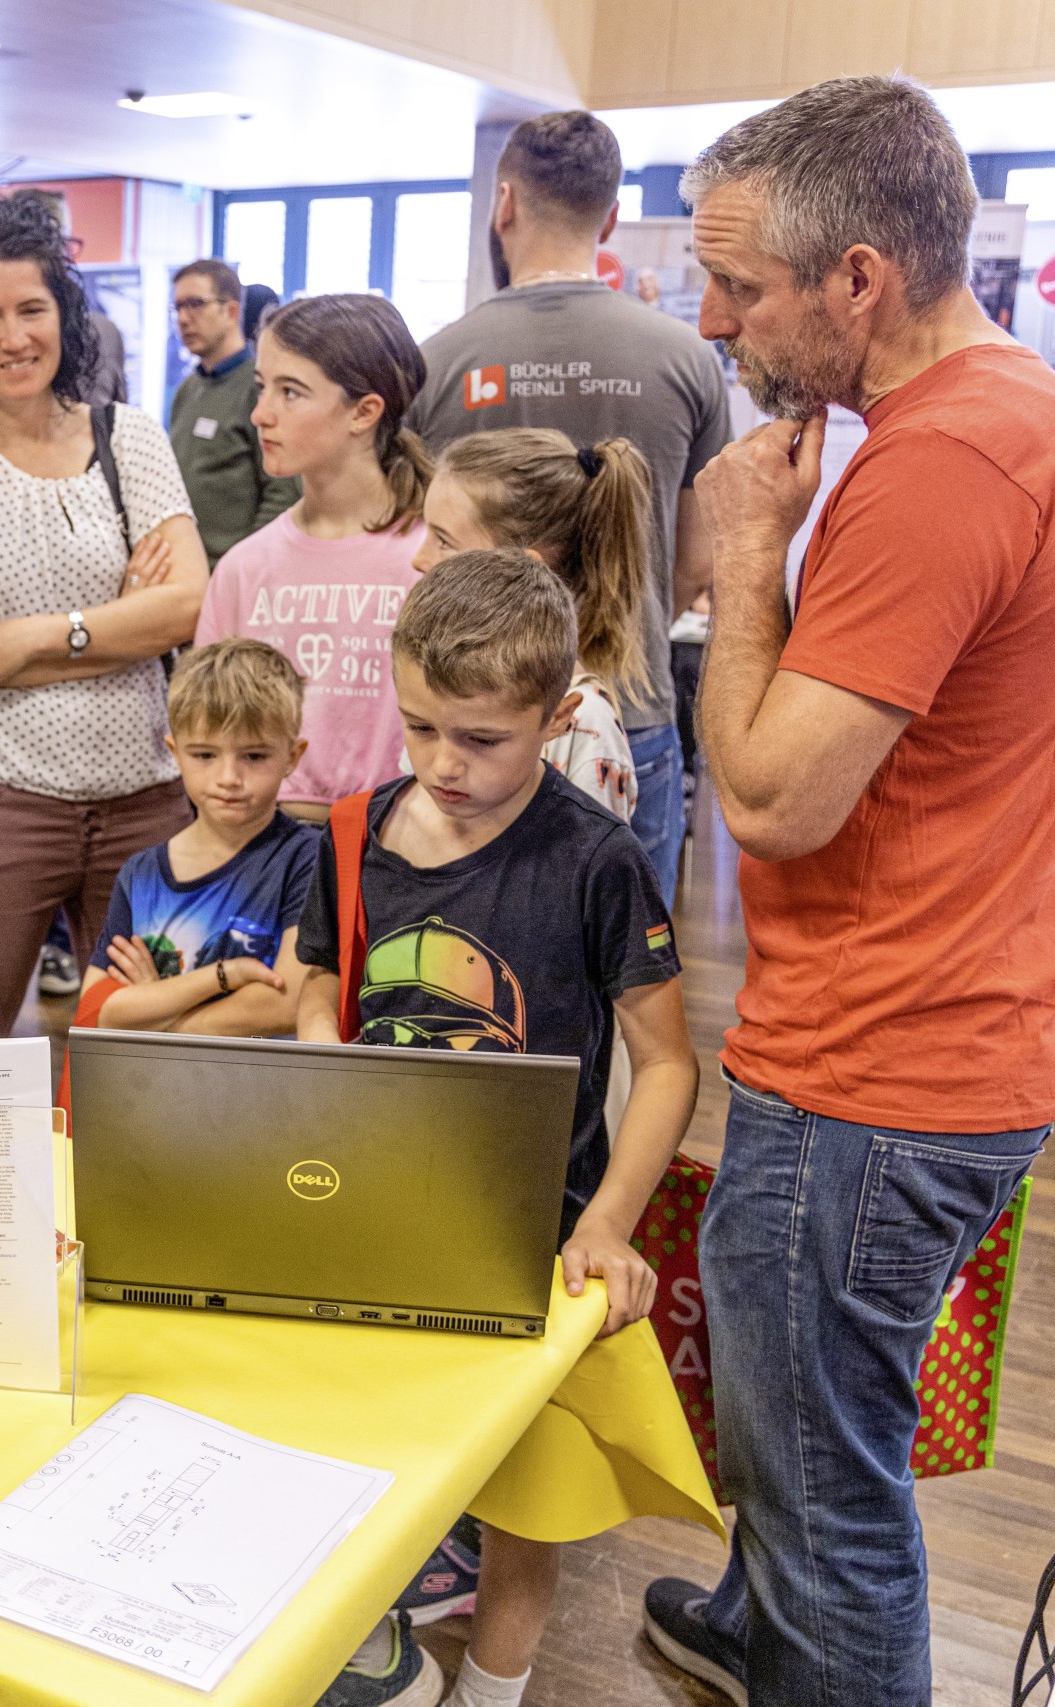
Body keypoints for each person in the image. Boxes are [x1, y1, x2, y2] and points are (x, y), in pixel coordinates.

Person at [641, 78, 1055, 1707]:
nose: (714, 321)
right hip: (956, 1032)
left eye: (743, 288)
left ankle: (798, 1633)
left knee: (828, 1495)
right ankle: (751, 1621)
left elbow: (774, 797)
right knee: (806, 1446)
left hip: (877, 1073)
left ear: (860, 277)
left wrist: (737, 565)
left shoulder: (946, 465)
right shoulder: (1040, 415)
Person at [298, 550, 696, 1707]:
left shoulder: (596, 860)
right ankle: (373, 1644)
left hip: (538, 1238)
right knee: (361, 1449)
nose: (442, 764)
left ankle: (492, 1687)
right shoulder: (351, 831)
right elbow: (317, 995)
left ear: (557, 714)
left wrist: (612, 1224)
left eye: (482, 739)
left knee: (528, 1500)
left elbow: (667, 1063)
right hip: (368, 1216)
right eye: (419, 727)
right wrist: (322, 1077)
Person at [0, 192, 209, 1040]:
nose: (14, 336)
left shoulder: (128, 437)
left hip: (145, 799)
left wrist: (29, 638)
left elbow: (184, 607)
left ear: (66, 313)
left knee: (147, 1053)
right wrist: (119, 622)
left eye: (32, 308)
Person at [405, 108, 731, 904]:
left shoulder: (438, 360)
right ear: (612, 218)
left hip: (474, 723)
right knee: (624, 974)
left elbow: (425, 554)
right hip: (634, 706)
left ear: (503, 204)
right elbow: (696, 564)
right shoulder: (686, 358)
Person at [193, 293, 431, 820]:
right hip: (266, 843)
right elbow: (208, 725)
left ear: (364, 412)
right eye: (261, 388)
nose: (260, 414)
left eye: (291, 392)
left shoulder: (430, 557)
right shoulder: (246, 568)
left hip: (403, 844)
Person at [415, 430, 657, 821]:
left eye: (443, 541)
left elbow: (592, 873)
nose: (418, 559)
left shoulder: (584, 725)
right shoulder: (434, 682)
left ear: (519, 569)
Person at [78, 639, 316, 1034]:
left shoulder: (307, 859)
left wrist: (158, 1011)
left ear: (293, 756)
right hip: (153, 1091)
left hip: (266, 1093)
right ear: (174, 751)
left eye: (254, 756)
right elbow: (99, 1012)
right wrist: (224, 975)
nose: (228, 779)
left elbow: (287, 1003)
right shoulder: (140, 874)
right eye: (205, 755)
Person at [166, 258, 299, 566]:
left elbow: (283, 492)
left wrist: (242, 565)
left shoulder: (260, 386)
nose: (184, 319)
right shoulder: (189, 389)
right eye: (178, 307)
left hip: (235, 573)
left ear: (231, 311)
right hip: (189, 572)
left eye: (196, 304)